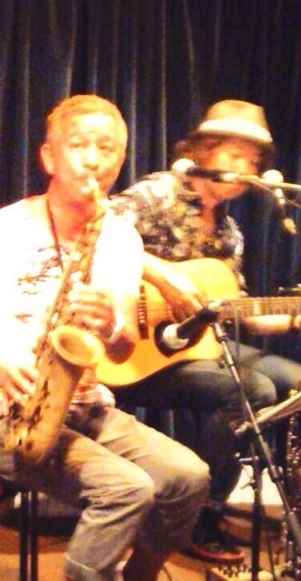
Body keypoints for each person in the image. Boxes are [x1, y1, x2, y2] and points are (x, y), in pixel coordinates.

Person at [0, 94, 210, 581]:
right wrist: (3, 368)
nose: (93, 160)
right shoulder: (0, 231)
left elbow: (122, 348)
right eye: (79, 145)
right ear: (49, 157)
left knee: (189, 478)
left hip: (87, 406)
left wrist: (109, 324)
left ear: (121, 160)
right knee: (126, 490)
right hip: (5, 411)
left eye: (106, 149)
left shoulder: (120, 238)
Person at [108, 99, 301, 564]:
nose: (244, 169)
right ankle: (197, 512)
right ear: (204, 151)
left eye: (253, 161)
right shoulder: (156, 194)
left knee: (295, 380)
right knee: (252, 389)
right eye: (234, 155)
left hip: (199, 347)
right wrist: (162, 276)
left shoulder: (229, 233)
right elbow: (95, 236)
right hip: (130, 350)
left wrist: (293, 316)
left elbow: (242, 313)